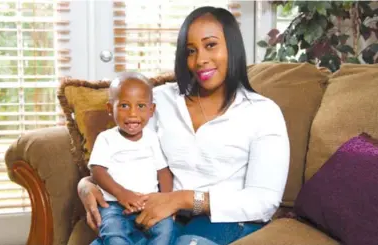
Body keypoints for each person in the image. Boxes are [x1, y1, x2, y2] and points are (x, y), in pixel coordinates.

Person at [79, 6, 290, 245]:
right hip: (164, 214)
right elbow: (128, 153)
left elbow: (264, 201)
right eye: (191, 51)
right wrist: (85, 184)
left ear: (232, 47)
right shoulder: (159, 101)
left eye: (211, 45)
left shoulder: (263, 112)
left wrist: (183, 199)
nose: (200, 60)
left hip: (225, 219)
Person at [88, 72, 175, 245]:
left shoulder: (152, 138)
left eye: (141, 106)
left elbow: (163, 172)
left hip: (148, 203)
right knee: (113, 235)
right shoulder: (106, 138)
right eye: (124, 106)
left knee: (166, 230)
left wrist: (166, 201)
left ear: (152, 110)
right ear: (109, 108)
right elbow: (97, 171)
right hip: (114, 205)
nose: (133, 114)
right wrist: (122, 194)